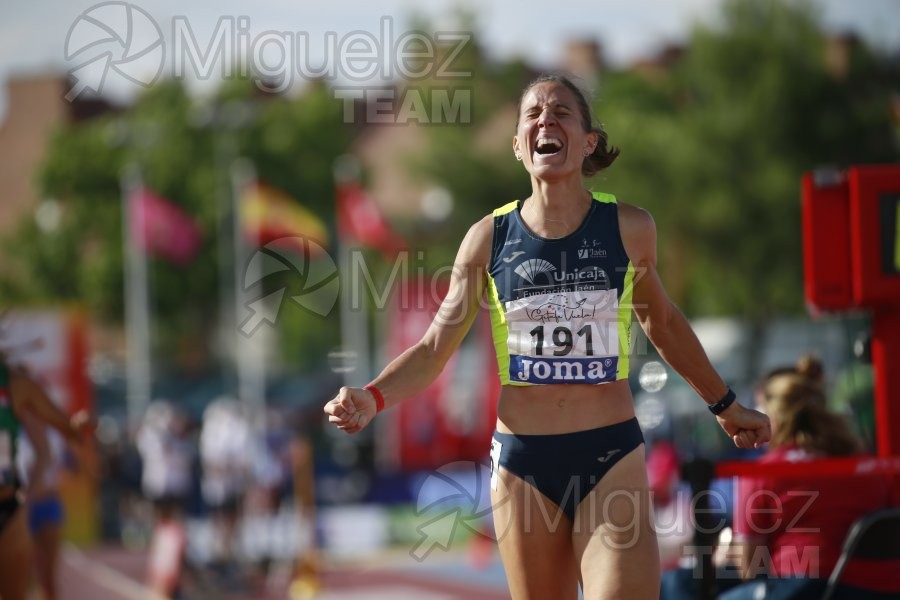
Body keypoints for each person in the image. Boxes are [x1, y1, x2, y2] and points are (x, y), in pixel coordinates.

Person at [323, 73, 770, 599]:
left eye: (561, 112)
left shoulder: (629, 228)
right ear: (518, 145)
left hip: (610, 455)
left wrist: (724, 404)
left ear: (588, 143)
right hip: (523, 464)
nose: (545, 121)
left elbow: (663, 323)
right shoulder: (488, 239)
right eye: (532, 114)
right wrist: (372, 397)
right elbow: (432, 349)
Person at [722, 358, 895, 599]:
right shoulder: (867, 467)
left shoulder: (763, 473)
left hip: (803, 588)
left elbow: (749, 568)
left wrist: (726, 550)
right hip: (880, 591)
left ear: (770, 416)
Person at [0, 357, 92, 600]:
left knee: (41, 583)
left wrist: (77, 430)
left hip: (26, 505)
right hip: (23, 504)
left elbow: (64, 440)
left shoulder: (16, 388)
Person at [17, 416, 68, 600]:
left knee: (48, 577)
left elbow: (63, 465)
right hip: (19, 509)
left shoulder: (55, 435)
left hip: (47, 503)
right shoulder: (14, 431)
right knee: (19, 577)